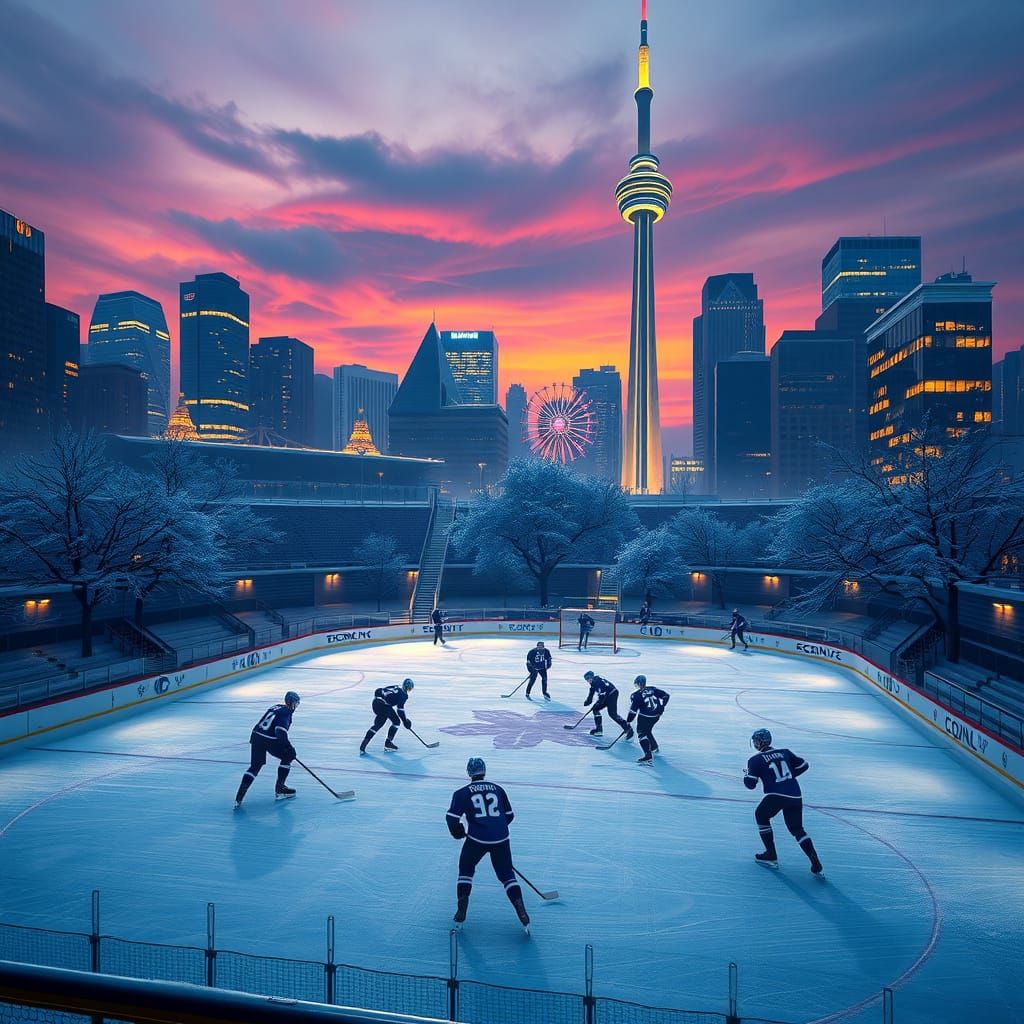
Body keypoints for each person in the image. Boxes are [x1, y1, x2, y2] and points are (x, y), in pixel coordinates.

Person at [445, 756, 531, 934]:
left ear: (469, 772)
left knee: (466, 869)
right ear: (484, 771)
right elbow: (509, 816)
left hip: (477, 839)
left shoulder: (462, 792)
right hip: (501, 839)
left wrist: (457, 831)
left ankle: (462, 909)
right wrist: (495, 829)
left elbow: (452, 818)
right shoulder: (498, 789)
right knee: (507, 875)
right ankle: (521, 910)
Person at [743, 728, 824, 876]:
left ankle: (771, 854)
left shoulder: (755, 760)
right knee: (797, 829)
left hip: (775, 795)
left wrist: (746, 774)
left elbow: (750, 784)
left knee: (761, 815)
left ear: (760, 742)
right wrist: (789, 777)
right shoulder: (785, 752)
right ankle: (814, 860)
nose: (754, 744)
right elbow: (804, 765)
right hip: (795, 795)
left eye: (755, 741)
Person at [234, 691, 300, 807]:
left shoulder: (276, 707)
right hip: (269, 740)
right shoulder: (287, 713)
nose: (296, 706)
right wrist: (288, 747)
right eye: (296, 703)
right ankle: (280, 788)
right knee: (287, 757)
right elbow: (279, 731)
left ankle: (239, 797)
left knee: (255, 766)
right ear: (292, 703)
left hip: (256, 736)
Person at [359, 678, 414, 753]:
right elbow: (400, 709)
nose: (408, 689)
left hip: (375, 703)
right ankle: (388, 743)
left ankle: (363, 745)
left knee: (378, 724)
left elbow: (379, 690)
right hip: (384, 705)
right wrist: (405, 721)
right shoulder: (403, 695)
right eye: (409, 688)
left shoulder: (396, 687)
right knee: (396, 722)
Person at [625, 675, 670, 764]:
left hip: (645, 717)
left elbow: (633, 712)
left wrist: (628, 721)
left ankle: (648, 755)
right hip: (656, 716)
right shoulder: (652, 689)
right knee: (648, 730)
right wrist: (662, 706)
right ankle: (654, 747)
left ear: (637, 684)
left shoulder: (636, 695)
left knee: (641, 733)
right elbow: (666, 696)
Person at [582, 670, 632, 738]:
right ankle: (599, 730)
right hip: (608, 695)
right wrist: (587, 702)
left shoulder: (597, 682)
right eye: (586, 679)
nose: (588, 681)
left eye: (588, 678)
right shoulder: (594, 683)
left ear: (592, 677)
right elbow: (591, 693)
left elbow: (602, 696)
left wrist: (598, 703)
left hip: (612, 694)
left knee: (612, 714)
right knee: (595, 709)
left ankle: (628, 728)